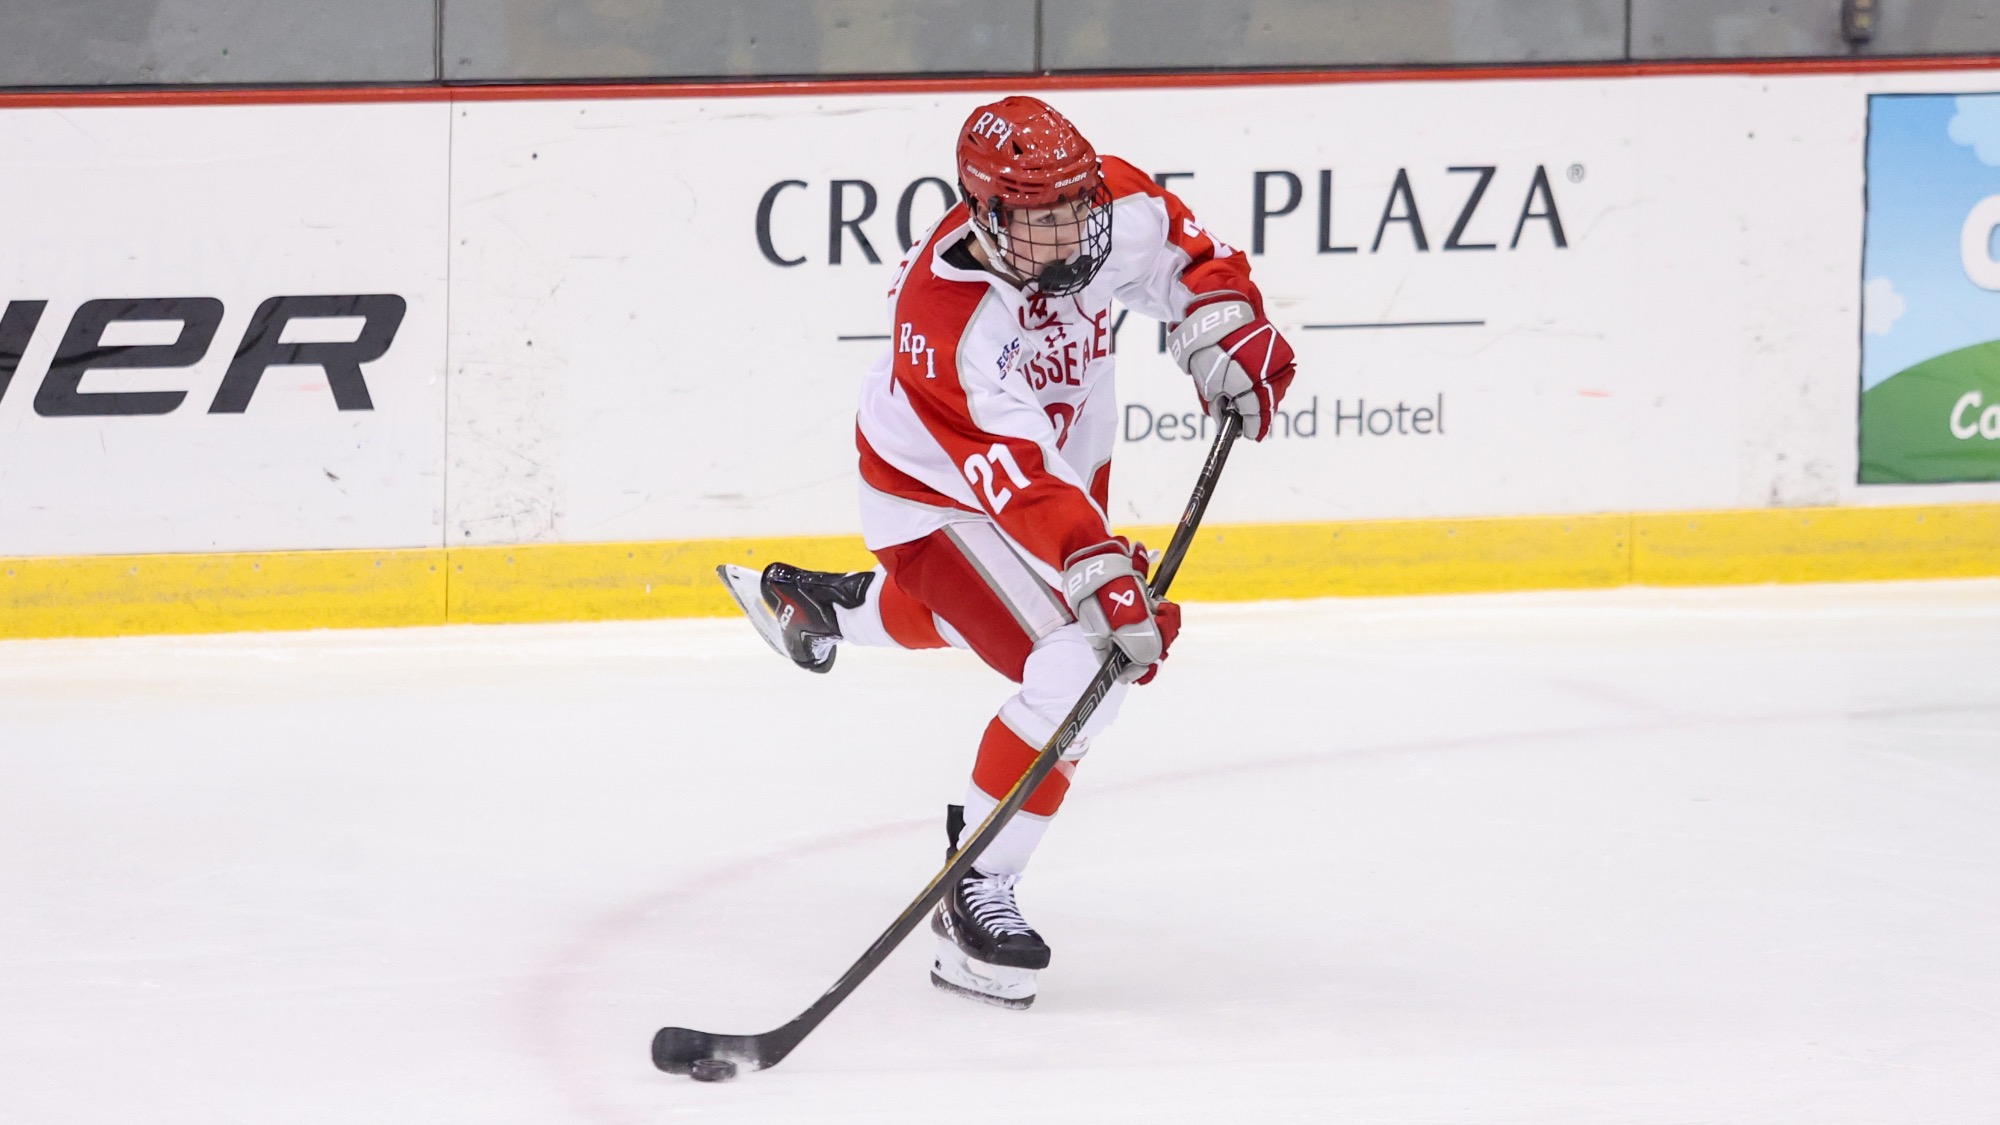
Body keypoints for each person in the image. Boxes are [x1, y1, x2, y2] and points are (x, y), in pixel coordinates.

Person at [718, 95, 1296, 1009]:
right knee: (1084, 659)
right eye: (1043, 219)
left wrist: (1227, 326)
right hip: (933, 496)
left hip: (1055, 478)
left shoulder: (1110, 213)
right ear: (984, 216)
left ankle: (824, 604)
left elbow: (1194, 261)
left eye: (1080, 205)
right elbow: (1017, 482)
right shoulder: (949, 320)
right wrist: (1095, 567)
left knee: (1011, 620)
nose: (1074, 231)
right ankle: (976, 887)